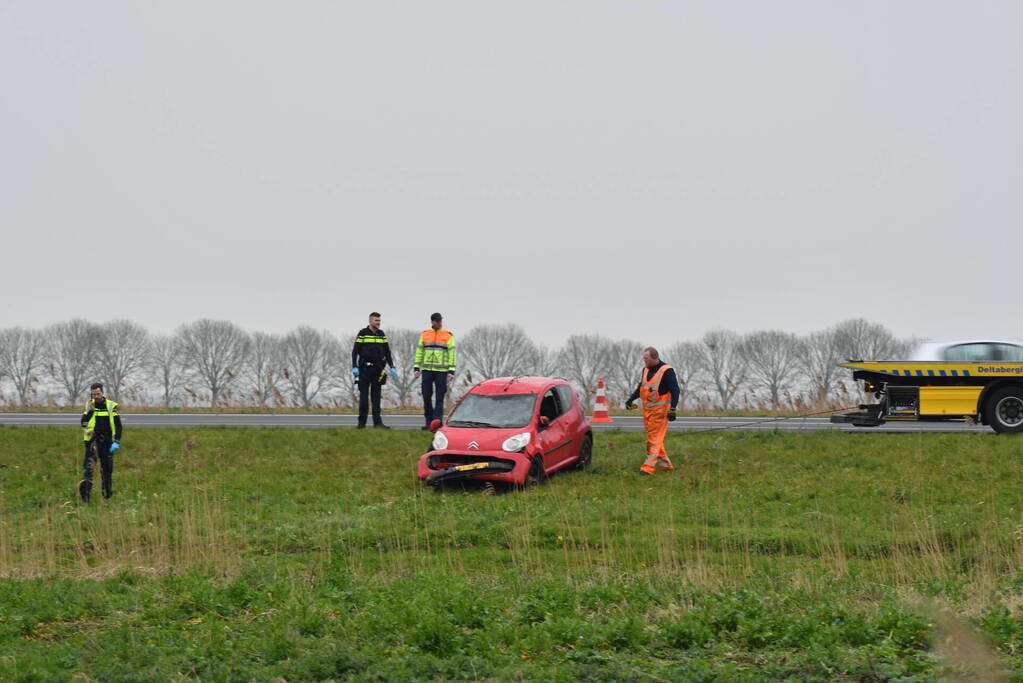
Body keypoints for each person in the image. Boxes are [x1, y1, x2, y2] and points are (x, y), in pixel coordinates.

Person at [625, 347, 680, 475]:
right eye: (644, 358)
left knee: (653, 439)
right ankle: (666, 466)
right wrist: (631, 399)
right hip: (647, 411)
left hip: (660, 412)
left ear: (655, 358)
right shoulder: (645, 370)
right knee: (654, 438)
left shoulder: (667, 371)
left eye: (646, 359)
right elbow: (641, 387)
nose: (644, 361)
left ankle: (647, 468)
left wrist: (673, 409)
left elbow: (675, 390)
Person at [351, 311, 397, 429]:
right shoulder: (363, 333)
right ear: (370, 321)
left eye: (379, 320)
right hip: (364, 369)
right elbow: (355, 351)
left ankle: (378, 423)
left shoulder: (381, 334)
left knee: (376, 398)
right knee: (364, 398)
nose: (378, 323)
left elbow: (387, 352)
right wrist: (354, 366)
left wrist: (392, 366)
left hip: (378, 369)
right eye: (376, 320)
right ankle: (361, 423)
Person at [79, 382, 122, 502]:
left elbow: (118, 425)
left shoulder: (111, 406)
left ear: (102, 393)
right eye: (93, 394)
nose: (96, 396)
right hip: (92, 442)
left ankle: (107, 496)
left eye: (98, 394)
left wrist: (116, 441)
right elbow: (83, 423)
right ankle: (85, 498)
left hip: (107, 442)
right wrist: (90, 412)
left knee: (107, 470)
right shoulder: (89, 405)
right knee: (89, 470)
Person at [414, 312, 456, 430]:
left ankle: (436, 424)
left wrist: (451, 370)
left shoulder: (448, 335)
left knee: (439, 398)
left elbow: (452, 353)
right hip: (427, 370)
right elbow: (419, 352)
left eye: (440, 321)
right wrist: (416, 367)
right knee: (426, 396)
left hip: (441, 371)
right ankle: (428, 422)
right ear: (432, 322)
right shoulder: (425, 334)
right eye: (437, 321)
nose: (439, 323)